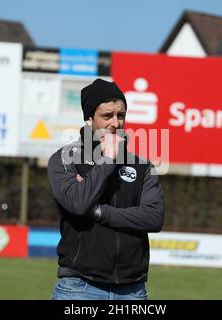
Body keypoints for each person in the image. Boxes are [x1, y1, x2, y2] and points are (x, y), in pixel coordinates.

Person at [47, 78, 165, 300]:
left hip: (132, 291)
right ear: (89, 118)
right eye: (107, 116)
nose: (115, 123)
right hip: (79, 288)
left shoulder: (142, 166)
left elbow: (154, 217)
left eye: (120, 115)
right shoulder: (64, 159)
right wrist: (108, 159)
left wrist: (99, 212)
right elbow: (78, 204)